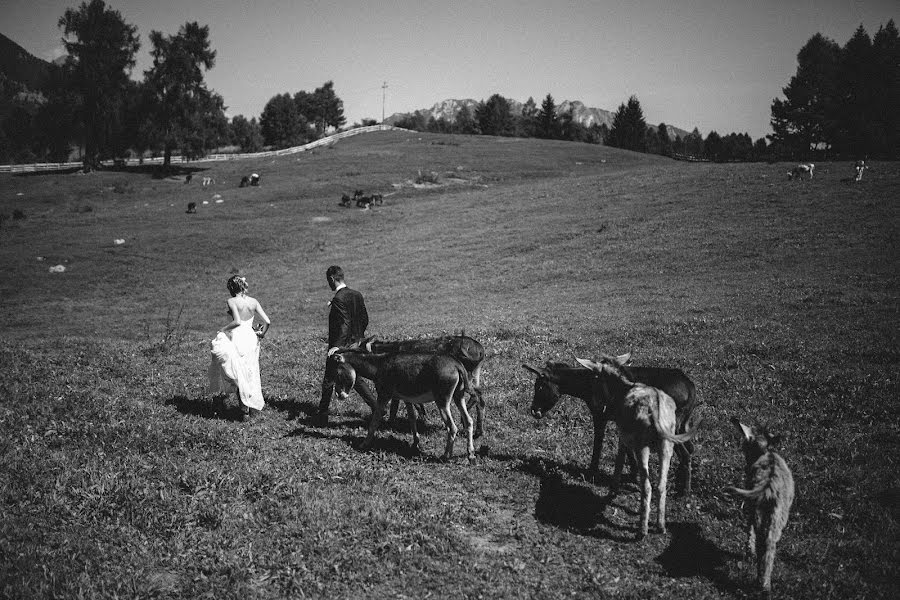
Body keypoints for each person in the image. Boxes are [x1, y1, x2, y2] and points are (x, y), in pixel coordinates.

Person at [315, 265, 377, 424]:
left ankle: (322, 415)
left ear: (332, 279)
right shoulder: (357, 295)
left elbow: (344, 324)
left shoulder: (338, 299)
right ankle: (378, 408)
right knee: (356, 378)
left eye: (328, 281)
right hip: (356, 343)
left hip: (341, 346)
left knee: (329, 377)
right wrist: (358, 338)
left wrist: (337, 346)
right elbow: (365, 319)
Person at [209, 275, 271, 421]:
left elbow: (237, 321)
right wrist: (261, 334)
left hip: (238, 336)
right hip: (250, 337)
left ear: (232, 288)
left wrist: (223, 329)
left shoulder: (231, 301)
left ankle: (243, 410)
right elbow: (267, 321)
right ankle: (248, 408)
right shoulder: (253, 301)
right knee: (250, 370)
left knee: (237, 370)